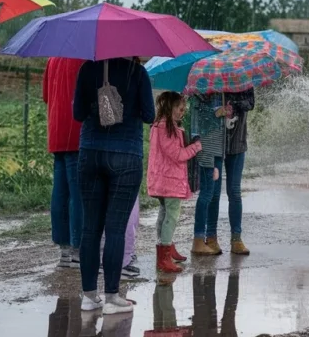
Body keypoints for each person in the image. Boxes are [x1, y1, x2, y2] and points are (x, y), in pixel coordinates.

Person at [73, 57, 154, 315]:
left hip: (91, 153)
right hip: (126, 155)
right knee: (115, 229)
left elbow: (77, 114)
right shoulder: (137, 72)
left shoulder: (87, 69)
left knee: (90, 227)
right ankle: (111, 298)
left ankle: (88, 297)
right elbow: (150, 114)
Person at [147, 91, 202, 273]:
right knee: (171, 216)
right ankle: (164, 255)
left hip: (163, 180)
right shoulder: (166, 128)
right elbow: (177, 155)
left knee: (164, 213)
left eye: (184, 108)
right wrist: (195, 147)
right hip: (169, 181)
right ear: (170, 107)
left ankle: (167, 247)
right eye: (180, 108)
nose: (183, 112)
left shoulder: (162, 126)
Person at [43, 57, 86, 269]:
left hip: (56, 131)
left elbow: (45, 96)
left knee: (59, 192)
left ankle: (64, 251)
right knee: (78, 193)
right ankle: (78, 248)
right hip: (76, 132)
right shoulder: (83, 57)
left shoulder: (52, 59)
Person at [190, 93, 227, 256]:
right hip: (206, 147)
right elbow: (196, 119)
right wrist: (216, 113)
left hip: (218, 147)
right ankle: (198, 239)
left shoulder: (221, 91)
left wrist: (226, 111)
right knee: (206, 194)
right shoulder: (197, 92)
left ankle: (211, 236)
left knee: (215, 195)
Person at [219, 89, 254, 255]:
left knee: (234, 191)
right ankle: (209, 237)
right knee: (211, 193)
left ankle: (236, 238)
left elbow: (250, 103)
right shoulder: (216, 80)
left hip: (237, 144)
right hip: (216, 144)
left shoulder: (245, 80)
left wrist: (235, 103)